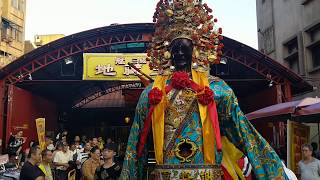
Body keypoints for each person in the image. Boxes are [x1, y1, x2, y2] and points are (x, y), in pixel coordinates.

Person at [120, 1, 287, 179]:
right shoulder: (152, 92)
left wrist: (272, 173)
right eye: (175, 50)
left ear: (196, 51)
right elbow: (137, 144)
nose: (180, 54)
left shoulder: (217, 89)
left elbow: (244, 133)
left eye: (185, 49)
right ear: (168, 53)